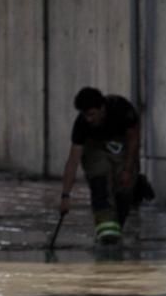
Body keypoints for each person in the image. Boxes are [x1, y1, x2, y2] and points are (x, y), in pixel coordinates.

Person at [59, 86, 149, 244]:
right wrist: (65, 196)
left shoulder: (122, 110)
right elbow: (73, 161)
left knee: (124, 187)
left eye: (92, 114)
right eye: (85, 115)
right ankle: (106, 229)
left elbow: (134, 140)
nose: (89, 119)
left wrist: (128, 170)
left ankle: (117, 224)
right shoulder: (81, 124)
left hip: (121, 145)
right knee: (99, 180)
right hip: (95, 148)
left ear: (102, 108)